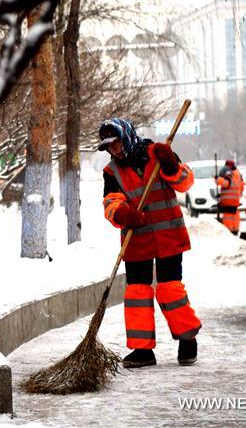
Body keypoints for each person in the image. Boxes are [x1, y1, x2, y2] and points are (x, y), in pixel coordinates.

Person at [98, 118, 200, 368]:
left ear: (127, 136)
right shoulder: (112, 171)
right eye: (109, 146)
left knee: (170, 288)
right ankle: (142, 349)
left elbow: (185, 183)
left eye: (116, 143)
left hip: (169, 236)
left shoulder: (159, 153)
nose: (114, 150)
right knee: (137, 292)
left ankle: (187, 339)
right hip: (137, 239)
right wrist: (123, 214)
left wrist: (171, 164)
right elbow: (111, 203)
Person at [215, 159, 244, 234]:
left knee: (228, 217)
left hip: (228, 201)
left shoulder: (229, 173)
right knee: (235, 216)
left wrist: (218, 179)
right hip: (236, 200)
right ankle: (235, 230)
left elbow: (226, 183)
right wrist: (238, 195)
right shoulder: (238, 173)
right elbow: (242, 186)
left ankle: (228, 232)